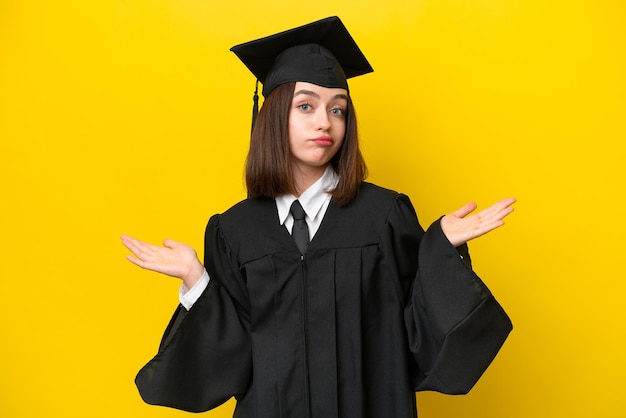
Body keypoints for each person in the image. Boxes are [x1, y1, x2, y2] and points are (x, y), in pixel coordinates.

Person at [121, 16, 515, 418]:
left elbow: (417, 331)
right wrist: (196, 279)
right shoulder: (234, 231)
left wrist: (439, 249)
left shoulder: (383, 216)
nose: (325, 122)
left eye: (338, 110)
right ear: (273, 116)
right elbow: (233, 363)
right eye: (305, 105)